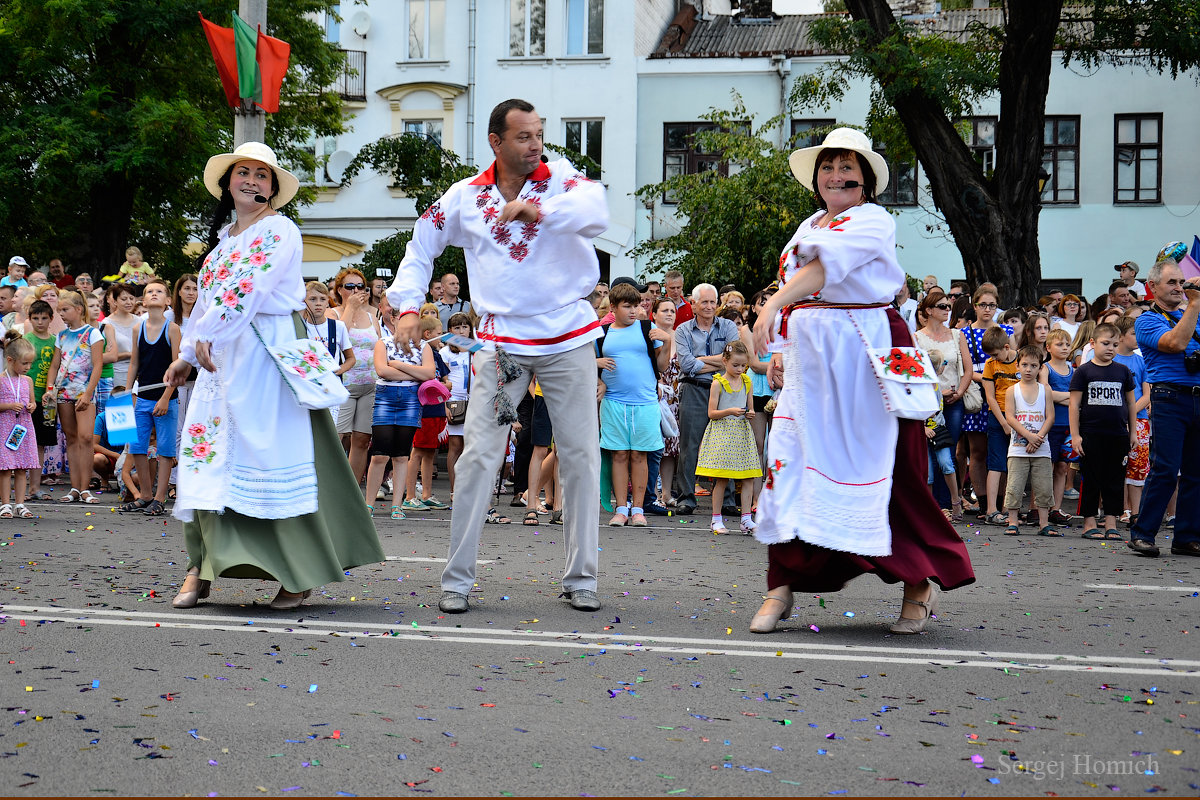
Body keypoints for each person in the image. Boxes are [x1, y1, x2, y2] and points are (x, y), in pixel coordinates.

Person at [387, 98, 609, 614]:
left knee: (579, 455)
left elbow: (597, 211)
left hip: (568, 337)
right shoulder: (466, 196)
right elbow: (421, 246)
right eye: (525, 137)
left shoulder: (563, 180)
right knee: (481, 457)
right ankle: (458, 579)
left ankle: (581, 578)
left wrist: (542, 210)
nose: (536, 146)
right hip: (500, 343)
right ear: (496, 142)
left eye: (539, 135)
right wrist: (405, 307)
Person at [749, 127, 974, 636]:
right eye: (828, 167)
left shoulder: (875, 220)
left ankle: (919, 582)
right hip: (818, 362)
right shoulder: (809, 222)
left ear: (867, 179)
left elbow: (822, 272)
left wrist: (773, 304)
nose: (837, 175)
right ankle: (780, 584)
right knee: (791, 464)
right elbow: (805, 298)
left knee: (896, 467)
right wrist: (783, 349)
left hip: (873, 349)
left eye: (848, 167)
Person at [163, 141, 382, 610]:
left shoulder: (280, 230)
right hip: (221, 359)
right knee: (208, 458)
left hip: (267, 355)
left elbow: (250, 289)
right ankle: (200, 568)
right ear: (228, 184)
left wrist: (210, 336)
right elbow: (204, 306)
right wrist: (185, 354)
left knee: (270, 458)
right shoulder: (219, 247)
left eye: (262, 176)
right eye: (243, 172)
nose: (252, 181)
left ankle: (296, 573)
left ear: (273, 190)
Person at [1128, 259, 1200, 557]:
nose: (1179, 287)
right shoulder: (1147, 320)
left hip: (1197, 397)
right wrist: (1194, 304)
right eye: (1172, 282)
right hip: (1169, 398)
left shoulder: (1191, 314)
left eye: (1181, 282)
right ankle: (1143, 533)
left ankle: (1186, 536)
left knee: (1196, 473)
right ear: (1152, 287)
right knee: (1166, 469)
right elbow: (1175, 343)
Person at [596, 280, 669, 527]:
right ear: (613, 308)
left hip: (645, 402)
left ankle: (638, 509)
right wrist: (597, 369)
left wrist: (667, 342)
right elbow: (586, 361)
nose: (633, 311)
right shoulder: (603, 333)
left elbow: (661, 366)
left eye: (636, 306)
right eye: (627, 306)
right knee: (618, 455)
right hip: (614, 402)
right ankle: (620, 508)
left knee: (640, 456)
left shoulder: (648, 328)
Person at [362, 317, 435, 520]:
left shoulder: (424, 347)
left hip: (411, 400)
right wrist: (415, 372)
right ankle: (368, 503)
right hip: (386, 397)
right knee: (379, 454)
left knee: (402, 455)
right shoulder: (383, 343)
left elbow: (430, 373)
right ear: (396, 321)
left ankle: (397, 505)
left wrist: (397, 365)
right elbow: (382, 371)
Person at [1070, 322, 1137, 542]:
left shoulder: (1123, 371)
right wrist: (1076, 435)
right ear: (1093, 343)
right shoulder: (1084, 371)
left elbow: (1131, 403)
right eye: (1105, 343)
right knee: (1091, 478)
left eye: (1115, 344)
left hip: (1117, 435)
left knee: (1115, 479)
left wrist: (1133, 432)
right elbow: (1074, 405)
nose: (1110, 348)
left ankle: (1111, 522)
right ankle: (1089, 522)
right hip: (1090, 433)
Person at [120, 279, 181, 517]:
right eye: (149, 292)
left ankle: (160, 497)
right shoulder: (138, 328)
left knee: (165, 450)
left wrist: (166, 397)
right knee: (137, 447)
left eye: (159, 291)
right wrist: (127, 392)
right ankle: (145, 495)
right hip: (143, 396)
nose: (153, 294)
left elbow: (177, 366)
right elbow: (135, 362)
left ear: (167, 301)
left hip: (166, 397)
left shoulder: (173, 329)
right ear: (143, 301)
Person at [913, 289, 973, 519]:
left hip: (953, 400)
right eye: (942, 306)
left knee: (947, 450)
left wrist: (958, 392)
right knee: (928, 451)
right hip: (928, 402)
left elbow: (967, 369)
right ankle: (934, 506)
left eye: (948, 306)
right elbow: (916, 372)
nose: (948, 310)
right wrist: (935, 391)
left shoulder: (957, 335)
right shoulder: (917, 338)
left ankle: (947, 502)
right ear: (928, 310)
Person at [42, 289, 104, 503]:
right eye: (59, 310)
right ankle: (75, 488)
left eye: (65, 309)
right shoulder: (61, 336)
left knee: (86, 438)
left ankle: (85, 487)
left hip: (84, 394)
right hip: (63, 393)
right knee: (71, 438)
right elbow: (55, 365)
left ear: (79, 309)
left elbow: (98, 366)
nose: (61, 314)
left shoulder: (93, 333)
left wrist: (88, 394)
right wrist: (50, 389)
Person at [694, 340, 761, 534]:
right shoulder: (718, 383)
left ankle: (746, 519)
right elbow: (711, 413)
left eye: (743, 365)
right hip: (723, 432)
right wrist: (730, 411)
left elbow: (750, 407)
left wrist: (750, 413)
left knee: (748, 476)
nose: (740, 369)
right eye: (736, 365)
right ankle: (716, 519)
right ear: (725, 361)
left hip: (741, 432)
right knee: (722, 478)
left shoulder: (747, 381)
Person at [959, 286, 1012, 518]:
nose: (987, 309)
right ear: (975, 306)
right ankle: (983, 503)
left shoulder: (1006, 330)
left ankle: (1000, 503)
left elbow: (1012, 362)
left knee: (1003, 451)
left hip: (1002, 395)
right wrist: (987, 377)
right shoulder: (964, 333)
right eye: (983, 305)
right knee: (977, 451)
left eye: (992, 305)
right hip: (977, 394)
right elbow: (965, 367)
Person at [327, 268, 381, 485]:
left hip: (370, 384)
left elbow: (379, 345)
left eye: (360, 286)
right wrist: (350, 308)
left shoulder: (371, 315)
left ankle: (352, 489)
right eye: (350, 286)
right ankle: (331, 486)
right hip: (344, 385)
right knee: (336, 438)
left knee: (361, 440)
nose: (356, 290)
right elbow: (339, 337)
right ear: (340, 290)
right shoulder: (333, 314)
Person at [1002, 345, 1057, 536]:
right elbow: (1010, 417)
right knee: (1015, 486)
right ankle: (1013, 521)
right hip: (1018, 449)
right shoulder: (1012, 390)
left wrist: (1038, 438)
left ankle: (1044, 523)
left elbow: (1050, 417)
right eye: (1024, 365)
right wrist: (1028, 436)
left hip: (1041, 448)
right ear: (1017, 366)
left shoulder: (1045, 390)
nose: (1028, 369)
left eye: (1033, 365)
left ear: (1040, 368)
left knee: (1043, 486)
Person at [401, 315, 452, 513]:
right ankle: (410, 496)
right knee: (418, 452)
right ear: (427, 334)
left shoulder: (436, 355)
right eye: (439, 334)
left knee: (431, 452)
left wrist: (441, 386)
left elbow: (447, 382)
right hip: (423, 409)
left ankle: (427, 494)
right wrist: (437, 385)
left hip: (437, 408)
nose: (442, 338)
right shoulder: (418, 353)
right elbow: (422, 380)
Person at [980, 326, 1020, 525]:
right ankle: (991, 509)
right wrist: (1004, 422)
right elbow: (990, 396)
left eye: (996, 354)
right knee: (996, 464)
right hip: (998, 417)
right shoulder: (990, 364)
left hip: (1020, 416)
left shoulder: (1021, 360)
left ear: (1006, 347)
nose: (995, 358)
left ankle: (1008, 508)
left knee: (1014, 464)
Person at [1113, 315, 1150, 527]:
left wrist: (1131, 414)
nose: (1137, 338)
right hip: (1114, 420)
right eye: (1133, 334)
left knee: (1137, 467)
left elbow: (1146, 394)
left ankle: (1136, 513)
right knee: (1118, 466)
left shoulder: (1141, 360)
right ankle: (1121, 509)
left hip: (1139, 420)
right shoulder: (1111, 360)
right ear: (1121, 336)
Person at [0, 333, 39, 518]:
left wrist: (32, 406)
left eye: (30, 363)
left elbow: (32, 402)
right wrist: (8, 406)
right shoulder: (1, 380)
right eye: (24, 363)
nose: (28, 367)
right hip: (5, 428)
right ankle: (6, 504)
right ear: (10, 360)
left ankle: (20, 504)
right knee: (6, 468)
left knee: (22, 467)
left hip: (23, 427)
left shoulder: (28, 381)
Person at [23, 300, 57, 501]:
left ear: (51, 319)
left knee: (41, 443)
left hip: (49, 400)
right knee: (25, 441)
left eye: (44, 318)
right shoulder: (26, 341)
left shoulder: (55, 341)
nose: (40, 322)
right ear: (30, 319)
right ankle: (23, 485)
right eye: (35, 318)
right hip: (29, 398)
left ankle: (35, 487)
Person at [1043, 329, 1076, 526]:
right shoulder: (1046, 368)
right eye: (1059, 344)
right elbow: (1046, 394)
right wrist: (1070, 398)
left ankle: (1056, 508)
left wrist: (1062, 397)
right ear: (1048, 348)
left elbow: (1079, 397)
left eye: (1067, 344)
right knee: (1048, 466)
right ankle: (1043, 506)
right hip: (1052, 424)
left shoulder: (1074, 370)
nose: (1064, 348)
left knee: (1063, 467)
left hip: (1069, 425)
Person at [442, 312, 475, 500]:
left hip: (475, 400)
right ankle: (455, 490)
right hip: (454, 399)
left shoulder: (476, 349)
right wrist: (445, 403)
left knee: (471, 445)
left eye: (465, 327)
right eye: (457, 327)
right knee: (455, 445)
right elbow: (441, 380)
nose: (461, 331)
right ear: (450, 331)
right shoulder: (445, 352)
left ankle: (468, 489)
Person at [301, 281, 355, 379]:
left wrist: (339, 370)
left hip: (332, 384)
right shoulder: (300, 327)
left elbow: (351, 358)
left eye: (322, 299)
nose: (318, 303)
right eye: (312, 299)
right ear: (304, 302)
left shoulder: (337, 326)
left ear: (327, 302)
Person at [104, 283, 139, 390]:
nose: (129, 302)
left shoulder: (140, 321)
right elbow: (107, 354)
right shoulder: (106, 324)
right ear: (114, 301)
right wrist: (128, 354)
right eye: (124, 299)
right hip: (118, 374)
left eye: (131, 298)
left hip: (140, 374)